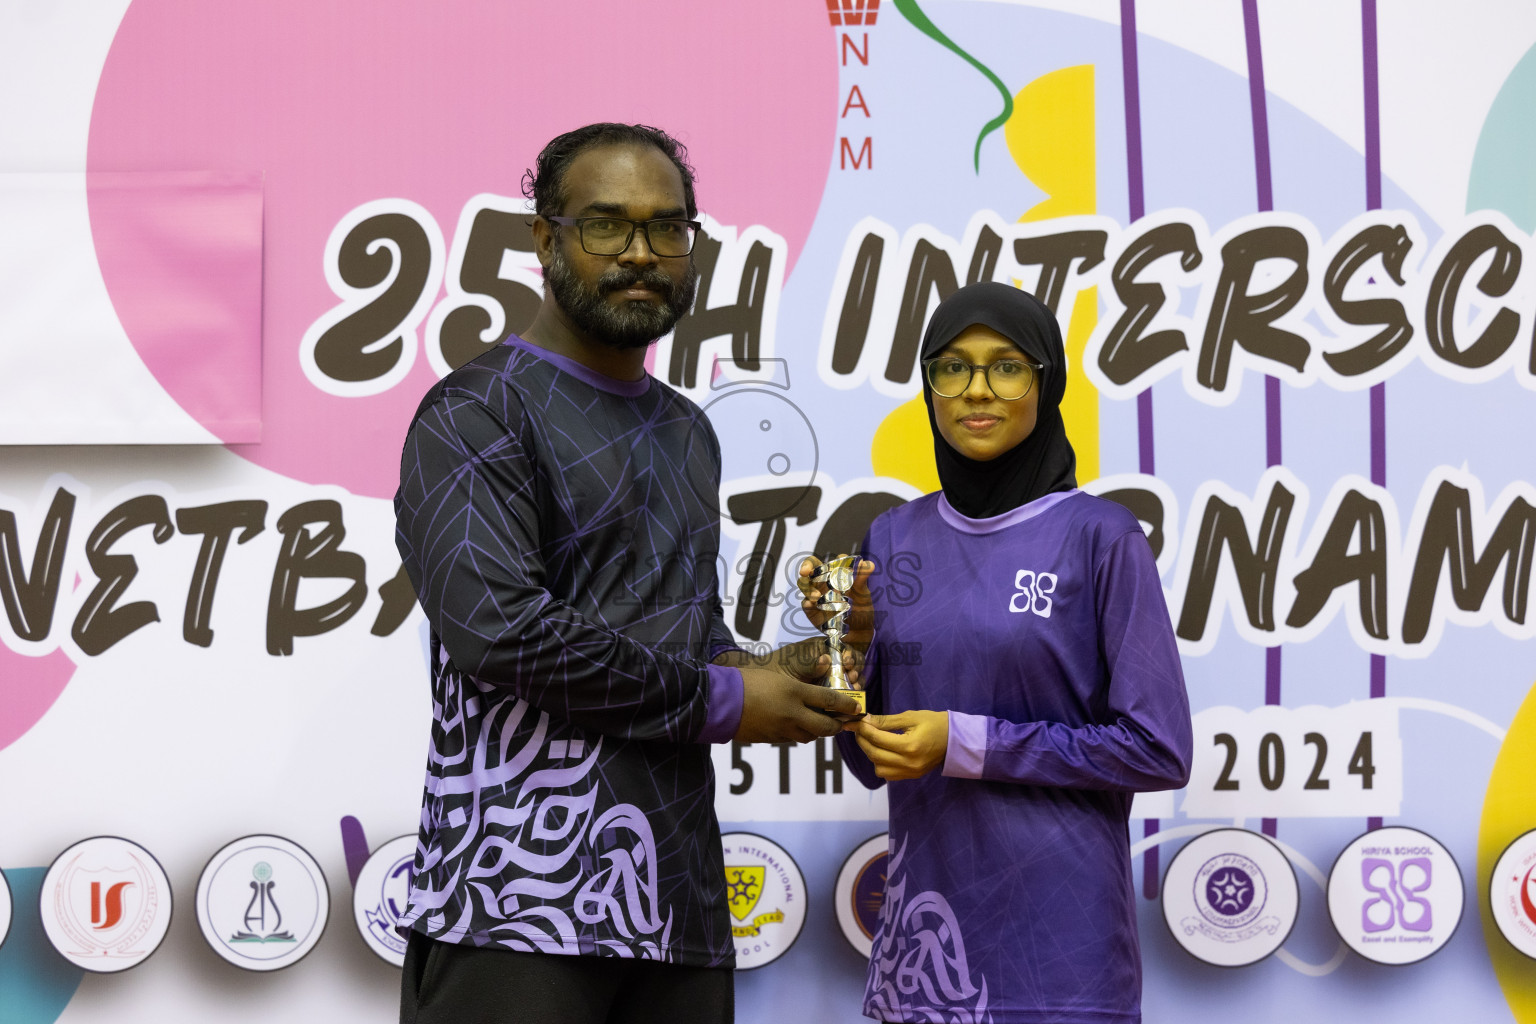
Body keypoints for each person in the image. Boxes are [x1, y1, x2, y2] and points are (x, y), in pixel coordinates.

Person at [394, 123, 860, 1024]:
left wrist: (791, 671)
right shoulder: (473, 413)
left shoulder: (688, 430)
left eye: (667, 228)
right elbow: (504, 633)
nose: (641, 254)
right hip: (513, 914)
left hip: (679, 913)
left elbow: (683, 643)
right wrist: (728, 702)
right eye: (606, 226)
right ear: (543, 238)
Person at [801, 282, 1193, 1024]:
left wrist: (967, 743)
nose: (976, 389)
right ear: (928, 387)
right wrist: (841, 670)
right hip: (926, 952)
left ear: (1046, 382)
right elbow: (872, 757)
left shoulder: (1102, 538)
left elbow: (1158, 750)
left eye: (1006, 365)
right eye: (951, 367)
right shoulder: (891, 538)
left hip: (1064, 954)